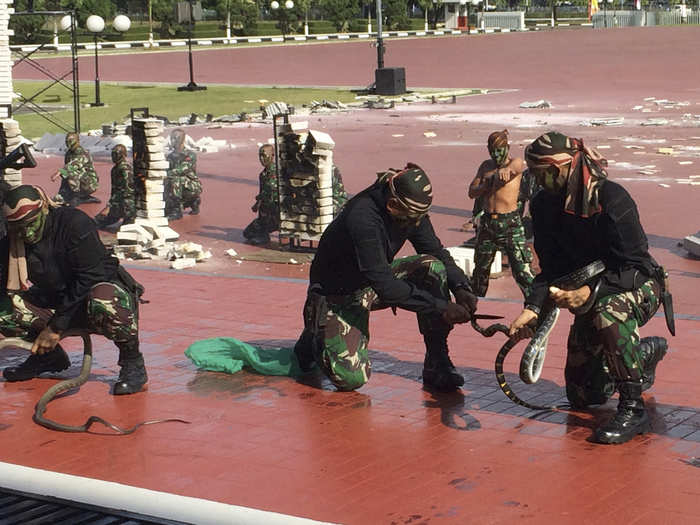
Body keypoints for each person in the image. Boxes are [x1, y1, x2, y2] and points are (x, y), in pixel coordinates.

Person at [508, 131, 670, 444]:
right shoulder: (543, 206)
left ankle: (633, 409)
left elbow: (636, 266)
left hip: (636, 286)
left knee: (609, 313)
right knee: (585, 395)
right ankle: (640, 355)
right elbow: (550, 270)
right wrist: (531, 309)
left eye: (539, 175)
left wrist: (591, 293)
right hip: (591, 294)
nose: (535, 182)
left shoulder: (610, 198)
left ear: (556, 170)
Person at [293, 163, 478, 392]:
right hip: (338, 296)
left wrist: (460, 286)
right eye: (414, 219)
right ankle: (315, 335)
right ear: (392, 205)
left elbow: (435, 250)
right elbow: (384, 285)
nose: (418, 224)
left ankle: (437, 361)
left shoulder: (410, 211)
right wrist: (441, 307)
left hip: (371, 282)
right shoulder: (362, 217)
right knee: (351, 380)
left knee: (432, 267)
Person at [0, 185, 148, 395]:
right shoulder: (13, 238)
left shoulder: (73, 224)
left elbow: (89, 277)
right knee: (4, 310)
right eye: (18, 228)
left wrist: (55, 328)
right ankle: (48, 358)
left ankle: (133, 363)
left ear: (43, 210)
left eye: (30, 224)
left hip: (91, 296)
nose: (26, 233)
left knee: (106, 301)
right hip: (56, 298)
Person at [468, 130, 534, 299]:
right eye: (493, 150)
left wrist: (506, 170)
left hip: (510, 223)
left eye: (500, 150)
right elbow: (472, 192)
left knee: (521, 271)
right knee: (480, 270)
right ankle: (473, 304)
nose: (496, 154)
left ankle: (536, 306)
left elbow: (515, 168)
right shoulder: (485, 167)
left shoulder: (516, 162)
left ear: (507, 148)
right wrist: (487, 182)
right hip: (488, 223)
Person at [243, 144, 279, 245]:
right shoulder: (263, 174)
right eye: (260, 156)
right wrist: (257, 203)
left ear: (272, 155)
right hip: (265, 212)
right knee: (247, 233)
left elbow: (270, 189)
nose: (261, 159)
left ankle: (264, 234)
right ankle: (264, 230)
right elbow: (262, 191)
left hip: (275, 211)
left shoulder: (277, 171)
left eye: (264, 155)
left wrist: (260, 198)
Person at [51, 132, 100, 206]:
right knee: (65, 173)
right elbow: (65, 174)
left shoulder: (82, 153)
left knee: (70, 171)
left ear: (77, 141)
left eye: (70, 141)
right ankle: (71, 195)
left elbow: (75, 165)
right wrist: (62, 193)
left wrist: (59, 171)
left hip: (90, 183)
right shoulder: (69, 153)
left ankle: (76, 196)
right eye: (67, 141)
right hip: (80, 181)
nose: (68, 143)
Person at [94, 144, 136, 228]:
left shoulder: (125, 169)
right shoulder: (115, 169)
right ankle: (117, 215)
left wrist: (110, 206)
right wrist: (110, 206)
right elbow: (115, 191)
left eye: (117, 154)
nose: (114, 157)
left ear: (123, 155)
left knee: (126, 226)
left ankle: (129, 218)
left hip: (127, 202)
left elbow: (128, 191)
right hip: (118, 202)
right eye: (113, 154)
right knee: (98, 221)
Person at [164, 129, 202, 220]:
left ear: (182, 140)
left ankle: (177, 211)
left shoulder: (190, 155)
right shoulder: (170, 156)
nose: (173, 141)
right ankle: (175, 205)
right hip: (177, 186)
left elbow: (182, 169)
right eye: (172, 138)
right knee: (165, 181)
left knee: (175, 179)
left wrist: (166, 174)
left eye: (176, 138)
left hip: (191, 185)